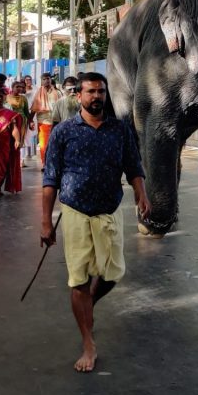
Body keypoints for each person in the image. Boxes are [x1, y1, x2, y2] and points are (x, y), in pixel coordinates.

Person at [41, 73, 150, 372]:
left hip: (109, 211)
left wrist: (142, 194)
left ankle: (89, 301)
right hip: (75, 212)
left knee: (112, 273)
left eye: (101, 92)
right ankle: (88, 343)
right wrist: (46, 221)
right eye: (90, 92)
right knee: (78, 280)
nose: (96, 97)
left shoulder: (120, 130)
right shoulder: (63, 132)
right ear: (78, 96)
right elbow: (50, 178)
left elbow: (133, 166)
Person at [30, 72, 59, 167]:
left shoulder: (57, 92)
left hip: (56, 121)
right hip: (43, 121)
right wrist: (30, 120)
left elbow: (60, 106)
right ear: (41, 81)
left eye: (48, 79)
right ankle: (45, 163)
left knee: (54, 144)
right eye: (44, 79)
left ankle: (53, 163)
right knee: (43, 144)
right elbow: (34, 108)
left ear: (51, 80)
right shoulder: (38, 93)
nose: (46, 81)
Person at [7, 80, 32, 166]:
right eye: (17, 87)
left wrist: (30, 121)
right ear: (12, 88)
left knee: (21, 139)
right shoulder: (7, 98)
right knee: (10, 139)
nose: (19, 88)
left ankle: (21, 160)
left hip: (21, 121)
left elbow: (26, 112)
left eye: (20, 87)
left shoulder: (23, 98)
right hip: (10, 121)